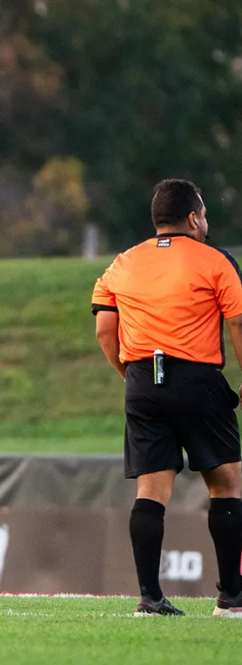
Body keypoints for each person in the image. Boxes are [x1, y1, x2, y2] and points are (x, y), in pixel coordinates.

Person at [92, 178, 242, 617]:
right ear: (194, 218)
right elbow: (237, 323)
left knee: (151, 491)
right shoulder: (216, 261)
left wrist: (129, 374)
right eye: (206, 214)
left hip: (142, 380)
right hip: (197, 380)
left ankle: (150, 598)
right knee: (226, 483)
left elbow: (105, 328)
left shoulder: (123, 263)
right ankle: (231, 599)